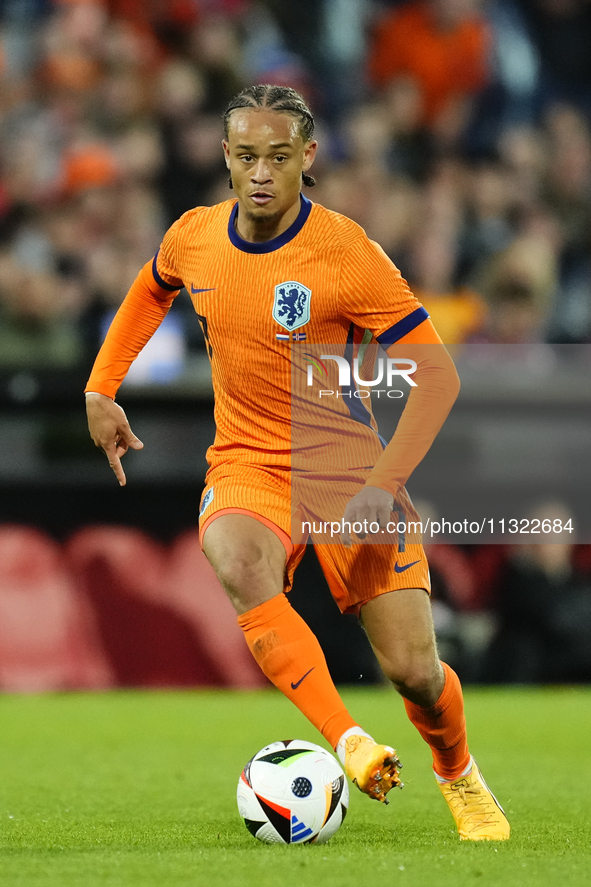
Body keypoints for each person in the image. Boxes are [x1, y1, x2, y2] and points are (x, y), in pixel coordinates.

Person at [85, 84, 510, 841]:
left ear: (305, 158)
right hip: (246, 463)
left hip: (345, 472)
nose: (258, 172)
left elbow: (435, 375)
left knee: (415, 671)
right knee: (233, 555)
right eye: (244, 155)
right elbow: (151, 289)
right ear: (224, 157)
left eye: (276, 157)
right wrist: (100, 386)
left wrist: (383, 485)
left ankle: (459, 773)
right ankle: (346, 739)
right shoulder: (195, 236)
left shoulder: (345, 252)